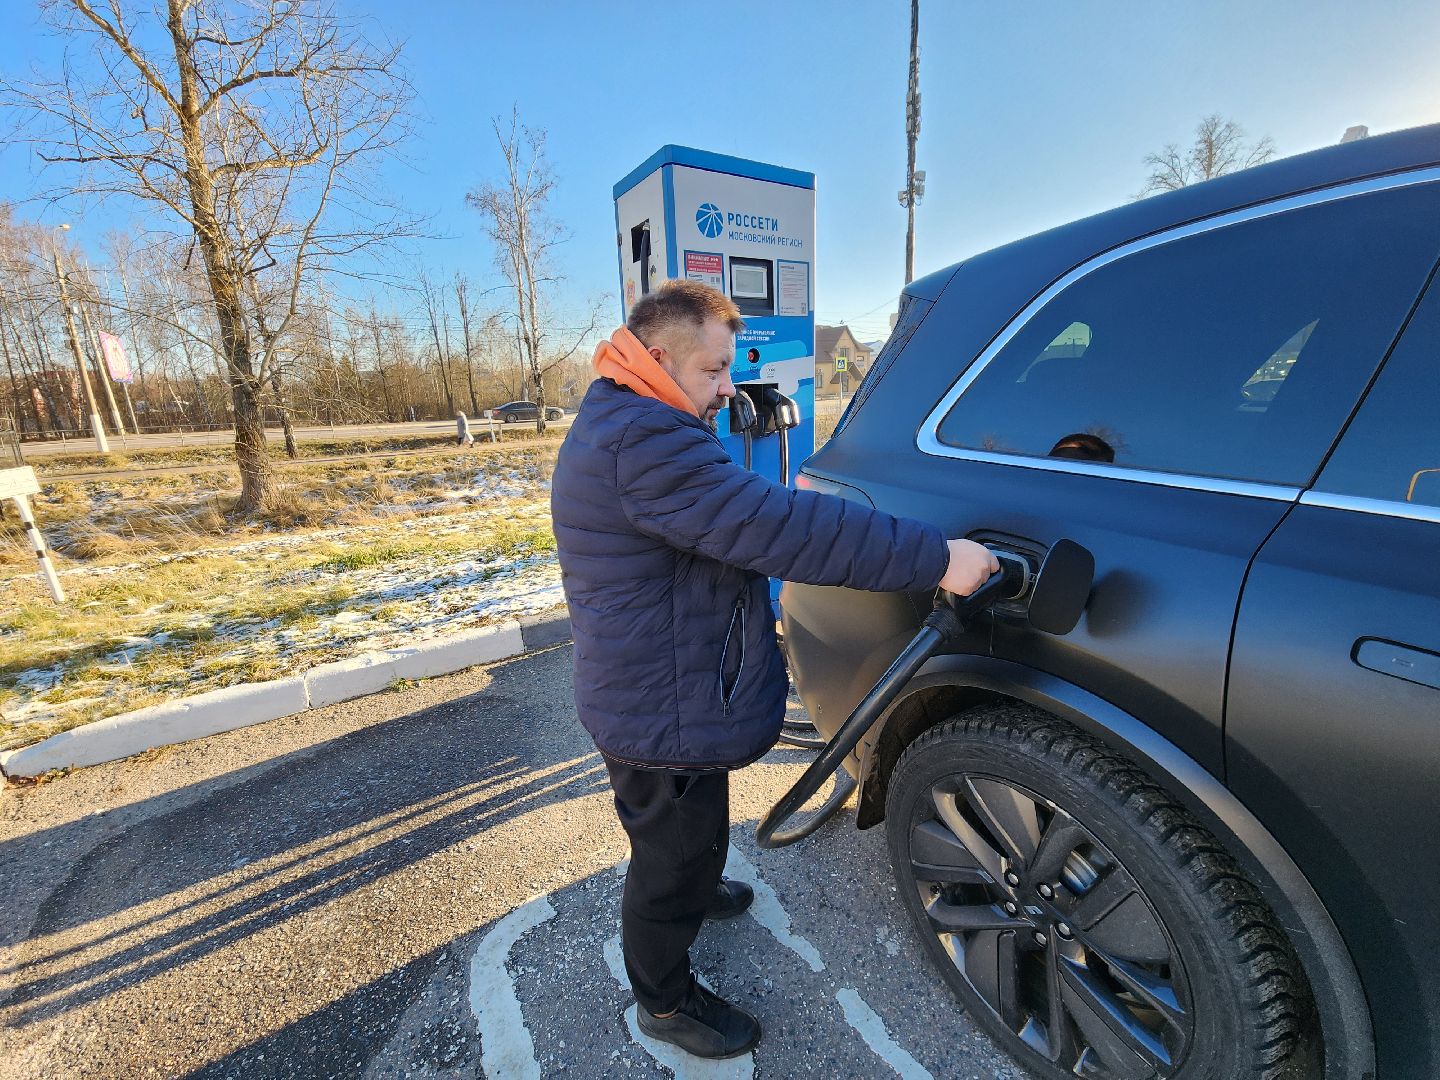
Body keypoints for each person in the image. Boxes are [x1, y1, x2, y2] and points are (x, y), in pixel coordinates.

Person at [550, 279, 997, 1061]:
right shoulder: (647, 441)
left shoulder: (627, 412)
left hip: (663, 685)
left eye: (730, 368)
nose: (729, 387)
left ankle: (696, 885)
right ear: (658, 357)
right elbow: (780, 530)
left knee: (693, 825)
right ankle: (663, 1000)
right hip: (659, 706)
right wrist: (939, 557)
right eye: (714, 370)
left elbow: (729, 517)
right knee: (668, 856)